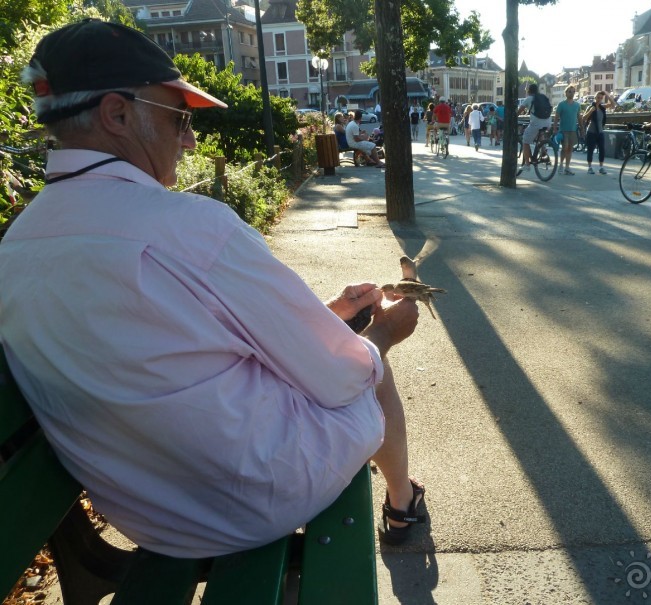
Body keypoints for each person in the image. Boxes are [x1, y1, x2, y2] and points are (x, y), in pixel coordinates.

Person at [0, 19, 425, 557]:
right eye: (178, 117)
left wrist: (325, 316)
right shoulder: (189, 227)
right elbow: (342, 376)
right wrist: (384, 333)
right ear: (117, 113)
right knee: (367, 367)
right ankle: (402, 501)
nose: (190, 138)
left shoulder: (17, 243)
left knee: (344, 349)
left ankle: (401, 495)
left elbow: (170, 352)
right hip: (254, 502)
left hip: (150, 516)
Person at [517, 83, 553, 175]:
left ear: (528, 90)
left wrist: (513, 117)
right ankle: (543, 152)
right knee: (540, 134)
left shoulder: (529, 99)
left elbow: (519, 111)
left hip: (537, 123)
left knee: (525, 141)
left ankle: (527, 165)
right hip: (548, 121)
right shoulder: (543, 97)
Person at [553, 85, 584, 175]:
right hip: (563, 130)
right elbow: (556, 117)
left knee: (570, 149)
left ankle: (567, 167)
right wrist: (555, 128)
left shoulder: (577, 105)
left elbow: (579, 117)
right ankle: (561, 165)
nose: (571, 93)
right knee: (564, 148)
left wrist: (582, 129)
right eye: (569, 91)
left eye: (573, 91)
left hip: (573, 130)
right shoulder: (561, 104)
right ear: (566, 93)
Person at [582, 91, 615, 175]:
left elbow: (613, 104)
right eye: (598, 97)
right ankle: (590, 167)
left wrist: (606, 94)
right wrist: (590, 111)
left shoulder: (602, 107)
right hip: (591, 132)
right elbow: (584, 118)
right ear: (595, 98)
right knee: (590, 150)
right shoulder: (591, 107)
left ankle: (601, 167)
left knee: (602, 150)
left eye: (601, 98)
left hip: (600, 131)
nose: (599, 99)